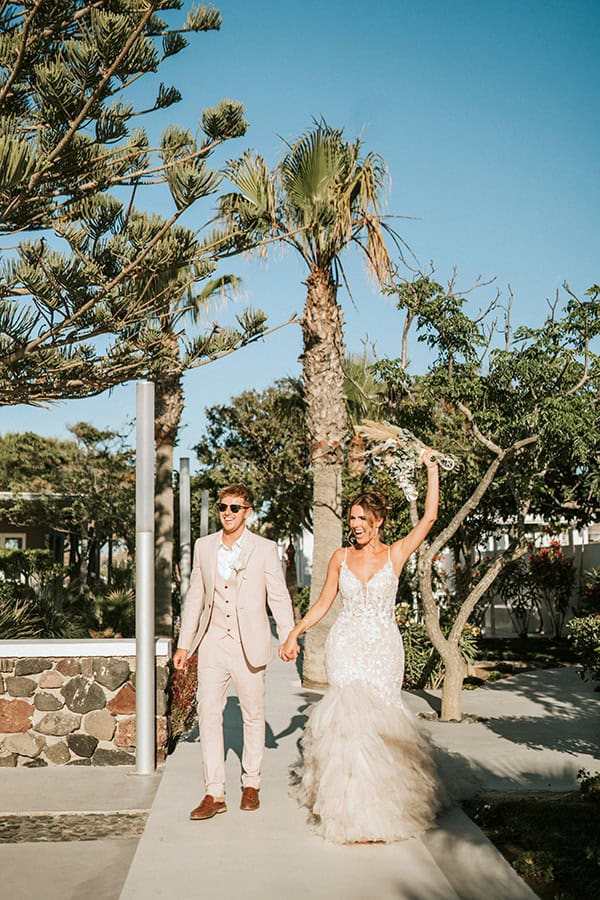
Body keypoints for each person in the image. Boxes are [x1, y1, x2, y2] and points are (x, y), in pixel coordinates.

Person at [279, 449, 445, 844]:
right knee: (348, 725)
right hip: (346, 646)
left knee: (382, 724)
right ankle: (350, 813)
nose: (354, 525)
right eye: (351, 519)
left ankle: (386, 807)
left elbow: (429, 518)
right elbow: (323, 602)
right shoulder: (339, 557)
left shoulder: (396, 553)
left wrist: (431, 469)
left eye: (361, 519)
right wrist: (295, 631)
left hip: (384, 648)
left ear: (378, 521)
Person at [173, 483, 295, 820]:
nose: (227, 513)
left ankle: (251, 783)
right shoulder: (204, 546)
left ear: (247, 512)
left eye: (234, 508)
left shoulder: (264, 549)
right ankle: (214, 793)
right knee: (208, 712)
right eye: (223, 507)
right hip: (213, 642)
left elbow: (278, 596)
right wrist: (185, 644)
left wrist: (288, 636)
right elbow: (195, 597)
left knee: (253, 714)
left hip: (249, 643)